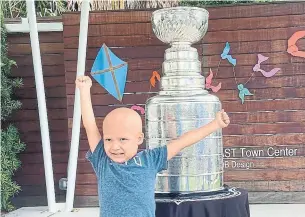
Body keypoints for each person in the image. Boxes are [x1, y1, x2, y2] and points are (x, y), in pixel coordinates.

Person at [75, 75, 230, 217]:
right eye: (108, 139)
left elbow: (183, 141)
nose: (114, 146)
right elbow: (90, 126)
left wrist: (215, 124)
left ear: (139, 138)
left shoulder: (150, 160)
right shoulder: (103, 161)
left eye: (123, 139)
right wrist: (84, 90)